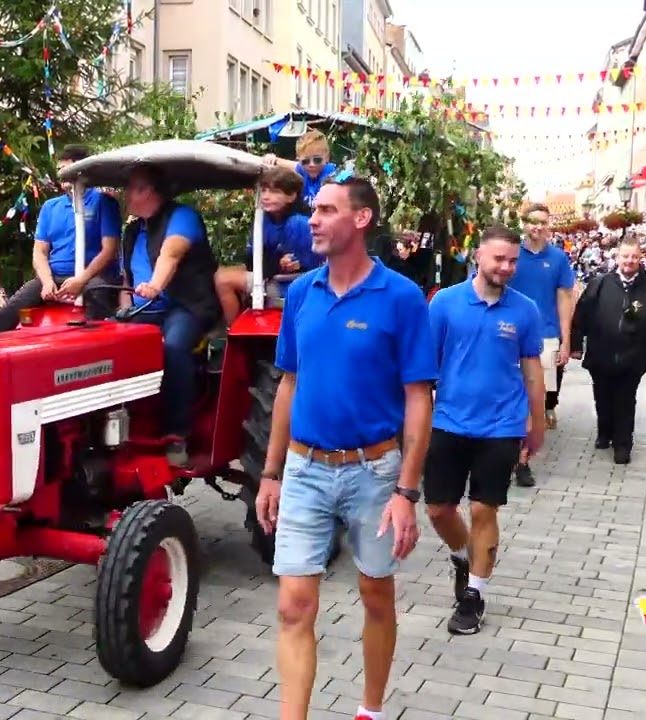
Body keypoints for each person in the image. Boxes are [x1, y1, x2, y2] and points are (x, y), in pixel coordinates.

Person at [254, 178, 436, 720]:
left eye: (326, 210)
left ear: (361, 219)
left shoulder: (401, 298)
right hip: (305, 469)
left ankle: (371, 709)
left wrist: (406, 490)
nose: (312, 219)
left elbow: (418, 399)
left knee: (375, 596)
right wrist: (270, 472)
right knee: (293, 606)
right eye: (313, 209)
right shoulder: (302, 294)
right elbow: (288, 383)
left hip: (375, 474)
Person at [423, 226, 546, 635]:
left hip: (502, 424)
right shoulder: (444, 303)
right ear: (478, 256)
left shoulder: (524, 310)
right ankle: (463, 555)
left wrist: (537, 421)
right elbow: (424, 368)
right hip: (449, 421)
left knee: (482, 508)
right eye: (499, 259)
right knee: (439, 509)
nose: (507, 267)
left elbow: (532, 369)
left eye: (513, 260)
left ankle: (473, 595)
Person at [119, 165, 221, 467]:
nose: (128, 194)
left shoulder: (182, 217)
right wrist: (123, 309)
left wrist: (155, 286)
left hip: (185, 305)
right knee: (105, 344)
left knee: (173, 348)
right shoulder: (132, 230)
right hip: (143, 309)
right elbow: (126, 278)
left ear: (153, 192)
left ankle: (177, 434)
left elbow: (171, 254)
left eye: (134, 188)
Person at [0, 144, 122, 329]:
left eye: (66, 169)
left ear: (80, 170)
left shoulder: (103, 202)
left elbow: (109, 250)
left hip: (94, 277)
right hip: (55, 276)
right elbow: (39, 252)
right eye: (59, 170)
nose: (61, 174)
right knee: (8, 312)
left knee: (97, 296)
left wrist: (81, 279)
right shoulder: (50, 207)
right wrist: (47, 282)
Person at [571, 240, 646, 464]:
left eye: (634, 257)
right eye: (625, 256)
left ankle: (623, 444)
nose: (629, 261)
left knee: (625, 400)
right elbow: (582, 313)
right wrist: (576, 344)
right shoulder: (600, 283)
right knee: (602, 397)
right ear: (617, 258)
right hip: (600, 353)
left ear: (640, 258)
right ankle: (605, 432)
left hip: (632, 356)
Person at [508, 203, 575, 487]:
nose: (537, 227)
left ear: (549, 226)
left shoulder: (558, 258)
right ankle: (505, 452)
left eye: (542, 223)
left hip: (545, 336)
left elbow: (564, 297)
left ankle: (522, 460)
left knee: (533, 400)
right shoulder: (511, 254)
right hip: (508, 334)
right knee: (510, 397)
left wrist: (566, 339)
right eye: (532, 222)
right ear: (524, 224)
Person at [214, 166, 316, 324]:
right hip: (268, 273)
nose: (266, 197)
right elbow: (252, 259)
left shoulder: (299, 223)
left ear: (291, 196)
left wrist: (281, 263)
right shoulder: (265, 220)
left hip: (286, 287)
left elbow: (306, 267)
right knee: (219, 271)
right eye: (264, 190)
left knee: (222, 279)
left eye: (274, 192)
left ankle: (233, 331)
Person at [262, 129, 339, 208]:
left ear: (327, 158)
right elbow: (289, 164)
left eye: (317, 160)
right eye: (305, 161)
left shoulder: (330, 173)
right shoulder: (303, 169)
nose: (311, 164)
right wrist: (273, 159)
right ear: (299, 160)